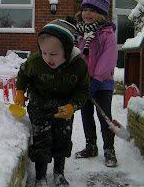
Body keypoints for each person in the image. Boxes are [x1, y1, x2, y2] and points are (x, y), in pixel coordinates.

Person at [14, 19, 90, 187]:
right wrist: (20, 92)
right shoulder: (35, 62)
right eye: (44, 52)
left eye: (54, 54)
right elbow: (23, 75)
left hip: (64, 108)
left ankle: (59, 173)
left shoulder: (79, 66)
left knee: (62, 139)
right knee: (41, 140)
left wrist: (73, 106)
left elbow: (83, 90)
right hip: (39, 106)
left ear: (68, 50)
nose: (48, 58)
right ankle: (41, 177)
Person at [73, 0, 118, 168]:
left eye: (92, 10)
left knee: (104, 115)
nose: (87, 14)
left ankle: (109, 150)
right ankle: (91, 146)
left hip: (103, 83)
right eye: (85, 9)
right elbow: (77, 55)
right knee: (86, 115)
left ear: (100, 14)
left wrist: (97, 80)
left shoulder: (107, 33)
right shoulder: (80, 33)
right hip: (84, 82)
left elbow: (109, 58)